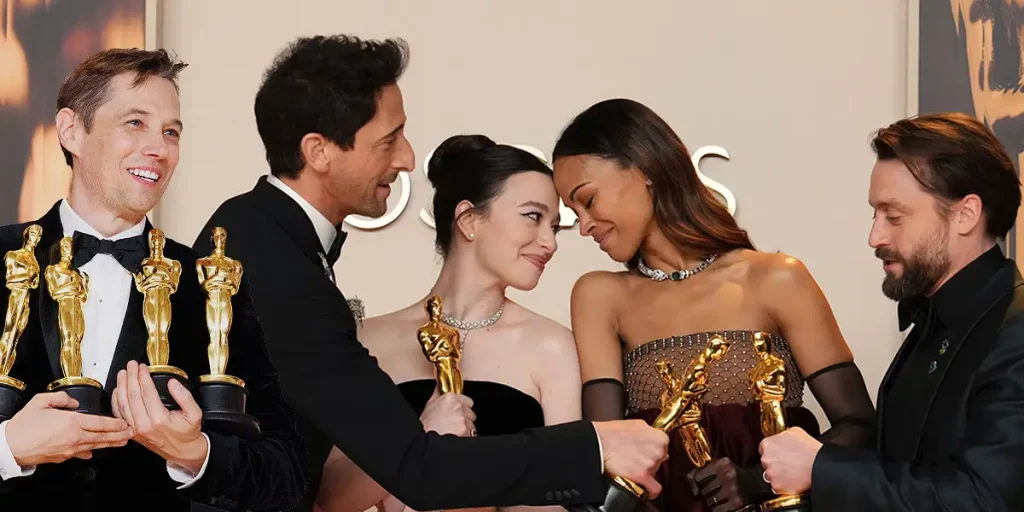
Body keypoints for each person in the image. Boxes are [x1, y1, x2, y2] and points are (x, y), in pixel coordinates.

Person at [192, 34, 668, 512]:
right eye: (388, 140)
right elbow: (407, 469)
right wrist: (596, 447)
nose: (407, 159)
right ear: (319, 151)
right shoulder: (271, 259)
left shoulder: (275, 240)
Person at [0, 48, 308, 511]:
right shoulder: (3, 258)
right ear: (71, 130)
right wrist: (8, 448)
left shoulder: (211, 285)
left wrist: (194, 453)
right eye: (135, 123)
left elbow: (288, 473)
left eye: (171, 132)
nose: (159, 149)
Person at [550, 98, 877, 512]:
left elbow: (861, 426)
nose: (583, 226)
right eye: (573, 210)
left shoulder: (777, 278)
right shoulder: (598, 296)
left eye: (588, 200)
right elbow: (607, 455)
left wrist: (757, 482)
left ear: (644, 170)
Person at [760, 112, 1024, 510]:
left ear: (965, 215)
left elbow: (988, 498)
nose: (875, 236)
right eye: (874, 214)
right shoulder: (929, 325)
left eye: (894, 216)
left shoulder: (1016, 331)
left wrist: (822, 467)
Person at [315, 134, 581, 512]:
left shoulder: (552, 346)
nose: (550, 243)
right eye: (533, 217)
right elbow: (330, 499)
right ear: (469, 220)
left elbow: (558, 496)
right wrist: (418, 439)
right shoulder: (367, 339)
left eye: (554, 227)